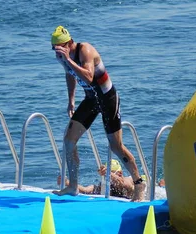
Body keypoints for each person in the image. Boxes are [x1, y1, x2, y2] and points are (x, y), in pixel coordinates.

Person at [50, 25, 146, 202]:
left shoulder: (84, 50)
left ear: (69, 43)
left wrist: (68, 60)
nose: (56, 52)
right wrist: (71, 99)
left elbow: (88, 76)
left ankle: (139, 184)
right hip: (91, 100)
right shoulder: (63, 57)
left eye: (59, 48)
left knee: (115, 146)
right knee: (68, 140)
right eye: (53, 49)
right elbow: (70, 75)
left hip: (108, 98)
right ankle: (73, 186)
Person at [57, 159, 143, 200]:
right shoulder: (104, 187)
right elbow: (85, 190)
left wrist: (109, 174)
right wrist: (67, 182)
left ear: (120, 173)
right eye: (106, 174)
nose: (108, 178)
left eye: (112, 173)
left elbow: (125, 184)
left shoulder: (128, 180)